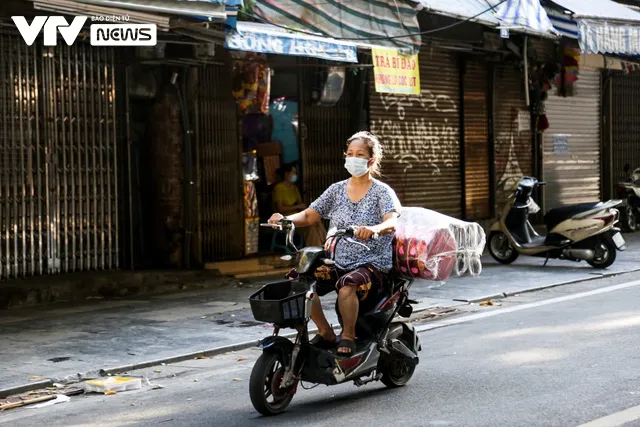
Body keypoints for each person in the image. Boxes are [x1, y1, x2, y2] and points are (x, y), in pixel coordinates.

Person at [268, 131, 401, 356]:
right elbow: (310, 215)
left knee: (347, 285)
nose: (353, 158)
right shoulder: (336, 189)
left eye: (359, 154)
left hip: (372, 264)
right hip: (337, 259)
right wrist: (286, 220)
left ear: (372, 160)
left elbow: (392, 221)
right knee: (298, 279)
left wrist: (374, 229)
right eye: (350, 153)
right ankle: (326, 331)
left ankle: (348, 335)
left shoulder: (382, 191)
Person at [271, 164, 327, 248]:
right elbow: (281, 208)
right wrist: (297, 207)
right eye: (293, 172)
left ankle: (325, 245)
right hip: (286, 218)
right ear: (286, 174)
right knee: (310, 226)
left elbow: (301, 204)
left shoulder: (294, 188)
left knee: (316, 219)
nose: (295, 175)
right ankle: (315, 248)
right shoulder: (278, 188)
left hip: (297, 214)